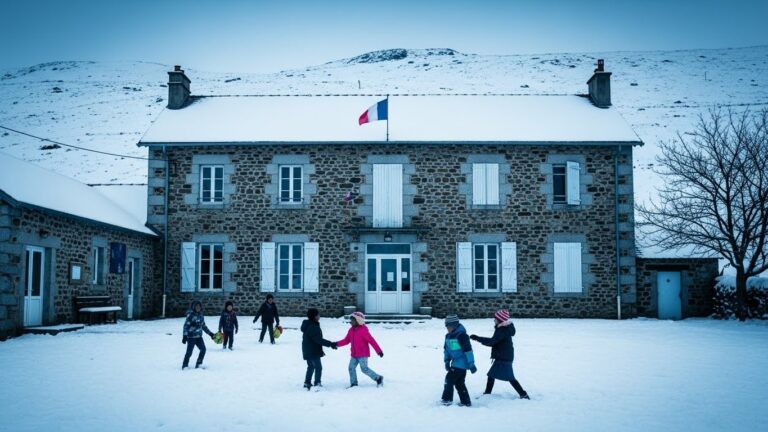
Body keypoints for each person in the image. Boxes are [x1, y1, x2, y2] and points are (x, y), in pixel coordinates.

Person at [470, 309, 529, 400]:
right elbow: (494, 341)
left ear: (500, 320)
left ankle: (523, 394)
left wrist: (478, 338)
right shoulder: (503, 328)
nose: (494, 320)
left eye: (495, 318)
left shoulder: (502, 330)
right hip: (503, 356)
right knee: (491, 375)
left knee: (510, 377)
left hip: (504, 357)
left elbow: (492, 342)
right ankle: (487, 393)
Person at [335, 311, 384, 388]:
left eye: (352, 320)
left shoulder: (363, 330)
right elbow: (346, 340)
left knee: (364, 369)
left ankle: (378, 378)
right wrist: (336, 344)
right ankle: (354, 383)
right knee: (351, 368)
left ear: (358, 321)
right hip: (354, 354)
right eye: (350, 320)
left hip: (363, 354)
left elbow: (371, 340)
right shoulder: (351, 330)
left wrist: (379, 351)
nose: (350, 322)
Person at [442, 314, 476, 406]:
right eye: (446, 326)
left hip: (461, 364)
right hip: (455, 363)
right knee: (459, 383)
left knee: (449, 379)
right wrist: (447, 361)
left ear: (454, 326)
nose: (447, 328)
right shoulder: (448, 336)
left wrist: (471, 364)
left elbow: (468, 351)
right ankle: (466, 402)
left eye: (449, 326)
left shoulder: (462, 336)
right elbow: (447, 350)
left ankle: (446, 400)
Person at [301, 308, 336, 390]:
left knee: (310, 366)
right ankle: (317, 383)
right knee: (318, 367)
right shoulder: (313, 326)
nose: (319, 316)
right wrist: (330, 344)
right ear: (315, 316)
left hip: (307, 349)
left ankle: (307, 382)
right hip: (313, 351)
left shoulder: (308, 324)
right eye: (318, 315)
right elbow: (319, 340)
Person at [182, 300, 215, 369]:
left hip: (199, 337)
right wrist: (185, 336)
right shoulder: (190, 315)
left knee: (203, 349)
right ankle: (185, 365)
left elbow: (204, 326)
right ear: (193, 307)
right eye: (196, 306)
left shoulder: (201, 315)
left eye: (199, 306)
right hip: (191, 337)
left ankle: (199, 363)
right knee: (189, 352)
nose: (198, 308)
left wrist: (210, 334)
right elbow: (186, 326)